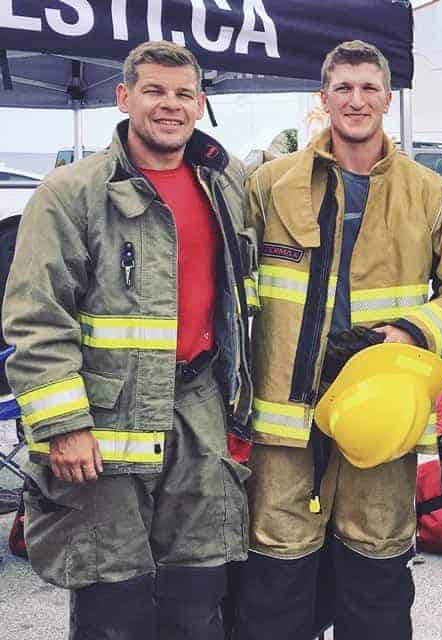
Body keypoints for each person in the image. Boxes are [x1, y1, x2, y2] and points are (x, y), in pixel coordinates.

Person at [233, 40, 442, 640]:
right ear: (323, 98)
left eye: (369, 87)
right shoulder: (269, 185)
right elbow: (230, 286)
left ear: (388, 99)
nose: (356, 100)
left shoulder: (427, 192)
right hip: (287, 422)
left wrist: (411, 332)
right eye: (343, 87)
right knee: (277, 578)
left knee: (376, 570)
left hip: (380, 417)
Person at [3, 41, 256, 639]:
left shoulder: (226, 183)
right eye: (154, 91)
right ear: (124, 98)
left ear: (200, 104)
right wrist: (63, 425)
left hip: (199, 413)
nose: (170, 105)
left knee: (198, 597)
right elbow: (37, 317)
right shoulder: (71, 192)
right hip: (105, 422)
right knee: (113, 604)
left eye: (183, 94)